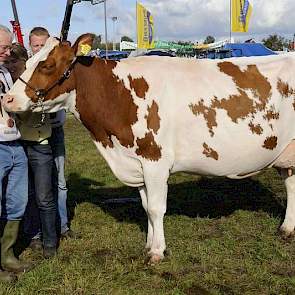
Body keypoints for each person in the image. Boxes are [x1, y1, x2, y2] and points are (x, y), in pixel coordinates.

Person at [20, 27, 57, 258]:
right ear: (29, 46)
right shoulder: (20, 71)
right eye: (36, 46)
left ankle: (50, 242)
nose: (39, 50)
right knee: (25, 195)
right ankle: (33, 235)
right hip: (16, 143)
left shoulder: (48, 75)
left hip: (41, 142)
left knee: (44, 195)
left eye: (44, 46)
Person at [0, 24, 29, 282]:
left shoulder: (6, 72)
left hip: (14, 142)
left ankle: (6, 254)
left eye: (9, 47)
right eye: (3, 47)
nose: (7, 51)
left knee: (17, 201)